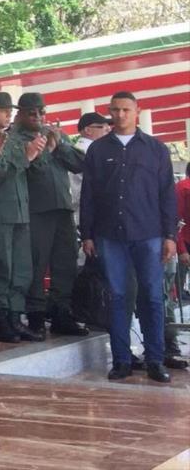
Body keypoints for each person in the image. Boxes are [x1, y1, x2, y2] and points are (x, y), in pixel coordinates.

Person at [81, 91, 176, 383]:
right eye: (114, 110)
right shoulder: (97, 150)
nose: (119, 115)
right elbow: (89, 195)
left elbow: (167, 194)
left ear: (137, 111)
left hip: (148, 233)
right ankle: (121, 360)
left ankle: (155, 359)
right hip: (110, 235)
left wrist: (170, 234)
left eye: (125, 109)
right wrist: (87, 234)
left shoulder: (156, 149)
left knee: (152, 297)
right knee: (119, 297)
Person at [0, 91, 47, 343]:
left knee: (21, 269)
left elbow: (31, 172)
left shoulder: (14, 139)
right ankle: (0, 319)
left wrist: (36, 155)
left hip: (20, 211)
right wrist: (25, 157)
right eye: (3, 109)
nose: (9, 113)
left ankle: (15, 318)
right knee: (1, 267)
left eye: (10, 109)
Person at [22, 93, 88, 337]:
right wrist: (45, 150)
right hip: (36, 209)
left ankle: (61, 311)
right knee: (37, 263)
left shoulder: (58, 136)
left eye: (42, 112)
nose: (38, 117)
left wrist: (59, 144)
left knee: (65, 261)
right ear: (20, 113)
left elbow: (80, 164)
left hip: (62, 208)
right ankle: (36, 314)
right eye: (32, 112)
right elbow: (23, 170)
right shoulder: (15, 137)